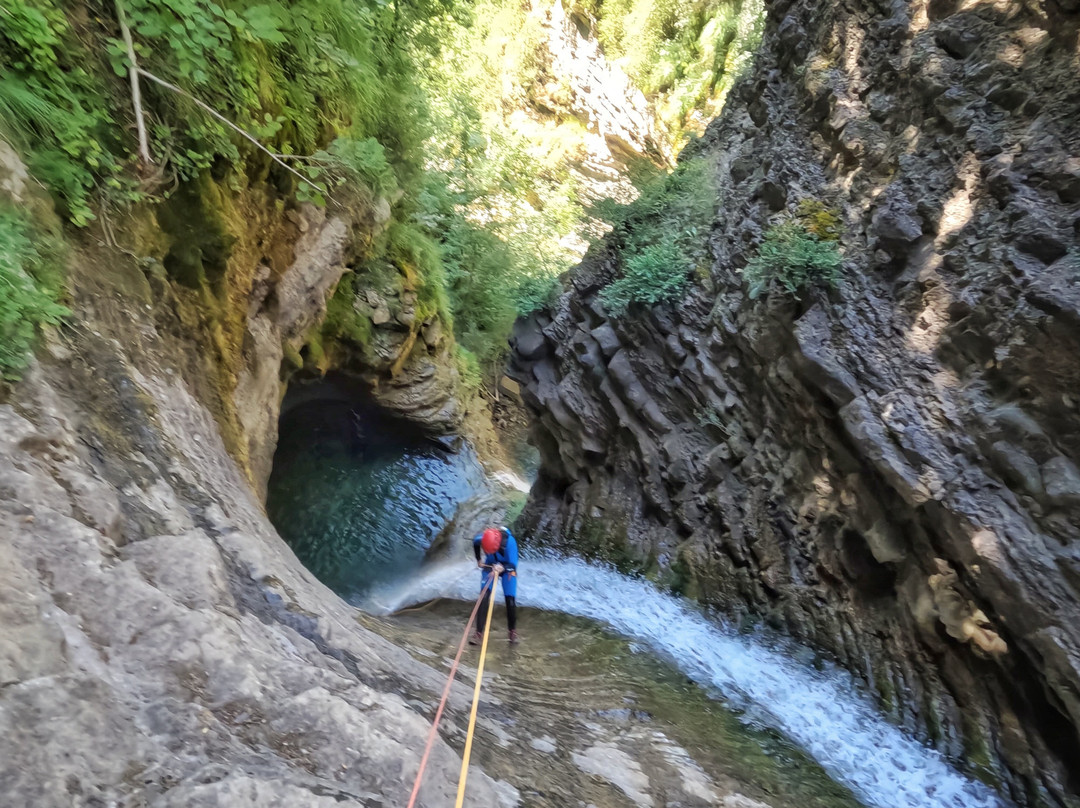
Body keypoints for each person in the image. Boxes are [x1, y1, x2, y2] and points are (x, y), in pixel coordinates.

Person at [470, 525, 519, 645]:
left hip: (508, 568)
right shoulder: (483, 538)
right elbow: (476, 542)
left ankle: (512, 632)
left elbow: (513, 565)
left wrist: (502, 567)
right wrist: (479, 560)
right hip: (490, 565)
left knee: (510, 599)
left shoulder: (510, 543)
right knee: (484, 595)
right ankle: (478, 633)